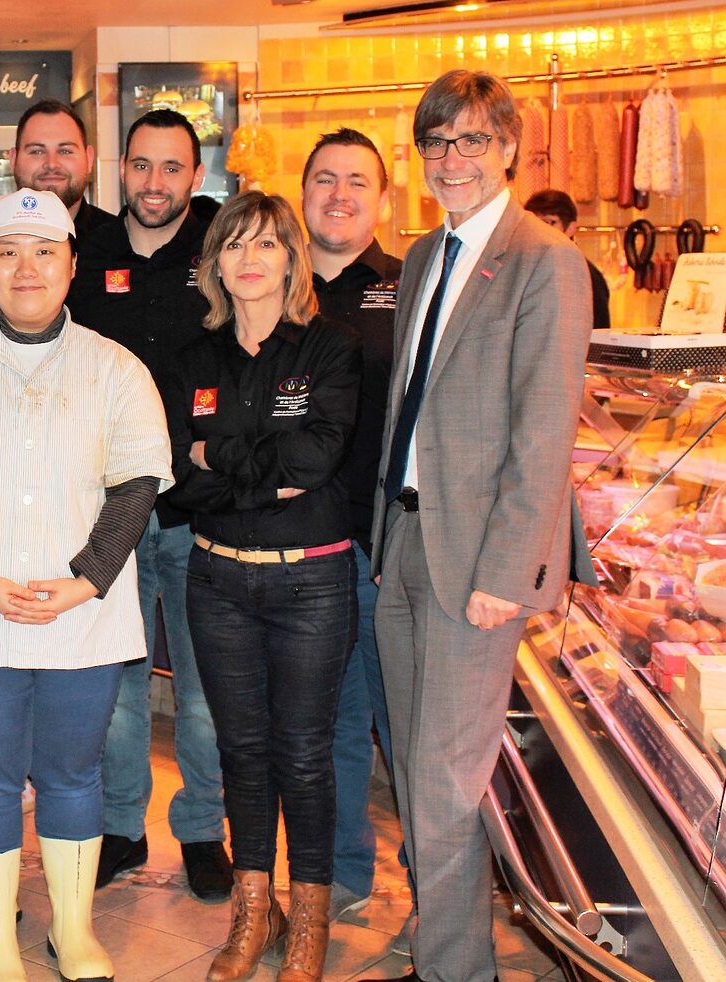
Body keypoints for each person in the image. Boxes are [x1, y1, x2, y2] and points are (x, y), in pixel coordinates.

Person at [0, 188, 172, 982]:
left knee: (73, 774)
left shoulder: (117, 369)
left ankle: (73, 932)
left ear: (72, 266)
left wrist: (86, 581)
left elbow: (138, 484)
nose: (26, 268)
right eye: (8, 252)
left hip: (83, 613)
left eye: (45, 252)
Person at [362, 71, 591, 982]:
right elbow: (404, 412)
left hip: (477, 564)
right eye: (435, 144)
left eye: (469, 142)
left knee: (447, 783)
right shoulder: (423, 255)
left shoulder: (544, 261)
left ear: (507, 149)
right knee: (413, 769)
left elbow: (545, 434)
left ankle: (459, 970)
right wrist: (386, 540)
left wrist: (509, 569)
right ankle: (443, 936)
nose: (450, 160)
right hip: (408, 543)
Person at [165, 191, 361, 982]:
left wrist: (223, 463)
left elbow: (315, 462)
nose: (249, 259)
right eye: (233, 245)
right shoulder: (192, 359)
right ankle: (255, 912)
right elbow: (178, 476)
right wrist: (250, 472)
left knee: (305, 756)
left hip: (311, 582)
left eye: (266, 245)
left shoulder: (329, 350)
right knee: (242, 751)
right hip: (216, 579)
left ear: (291, 258)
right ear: (214, 262)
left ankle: (307, 918)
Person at [65, 109, 231, 901]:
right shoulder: (84, 254)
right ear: (119, 170)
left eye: (172, 168)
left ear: (194, 178)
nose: (155, 183)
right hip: (112, 515)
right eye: (141, 166)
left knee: (204, 691)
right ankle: (122, 830)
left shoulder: (224, 253)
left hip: (203, 515)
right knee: (120, 689)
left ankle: (203, 831)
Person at [299, 128, 404, 923]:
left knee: (393, 726)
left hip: (382, 551)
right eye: (325, 179)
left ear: (384, 199)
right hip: (298, 550)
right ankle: (326, 877)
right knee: (318, 723)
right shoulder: (275, 285)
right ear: (303, 194)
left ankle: (406, 882)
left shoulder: (410, 288)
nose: (339, 194)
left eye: (357, 182)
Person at [0, 99, 118, 324]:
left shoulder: (119, 245)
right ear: (13, 159)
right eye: (37, 151)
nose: (51, 163)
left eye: (65, 150)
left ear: (89, 159)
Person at [523, 188, 610, 329]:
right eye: (534, 223)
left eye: (549, 222)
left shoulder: (585, 273)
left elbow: (598, 332)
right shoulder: (526, 268)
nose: (539, 230)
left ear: (571, 228)